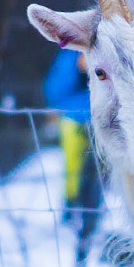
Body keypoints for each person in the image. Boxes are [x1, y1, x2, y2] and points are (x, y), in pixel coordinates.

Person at [42, 49, 102, 227]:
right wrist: (76, 70)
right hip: (73, 118)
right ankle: (72, 205)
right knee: (73, 165)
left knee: (97, 169)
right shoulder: (69, 57)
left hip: (99, 120)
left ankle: (93, 208)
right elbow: (54, 88)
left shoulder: (104, 52)